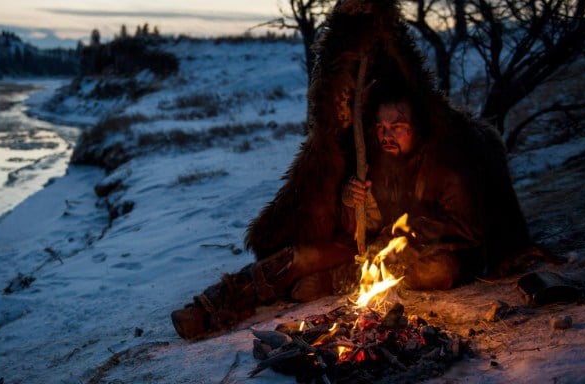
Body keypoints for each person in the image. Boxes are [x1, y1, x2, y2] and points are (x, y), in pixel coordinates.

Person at [171, 1, 541, 340]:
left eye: (397, 126)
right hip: (368, 254)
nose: (387, 135)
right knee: (297, 258)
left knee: (438, 272)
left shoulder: (445, 164)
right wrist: (352, 203)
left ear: (417, 125)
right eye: (380, 128)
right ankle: (215, 304)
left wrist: (401, 242)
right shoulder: (375, 160)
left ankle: (331, 281)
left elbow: (466, 229)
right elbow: (354, 233)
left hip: (425, 256)